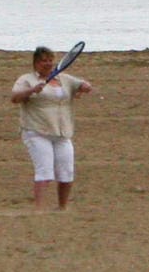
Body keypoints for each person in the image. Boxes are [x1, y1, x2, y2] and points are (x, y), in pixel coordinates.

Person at [8, 46, 94, 210]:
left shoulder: (64, 79)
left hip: (62, 132)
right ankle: (39, 209)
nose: (47, 64)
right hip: (37, 131)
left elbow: (81, 85)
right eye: (43, 61)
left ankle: (62, 207)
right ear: (35, 63)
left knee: (66, 173)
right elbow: (15, 98)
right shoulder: (27, 79)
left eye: (50, 60)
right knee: (45, 172)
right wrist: (32, 90)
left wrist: (85, 86)